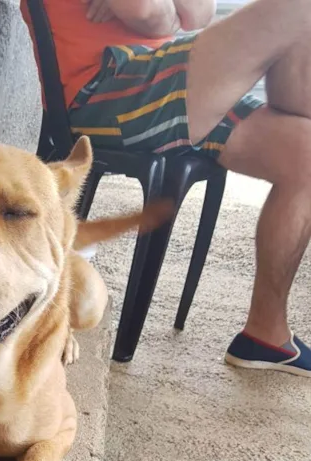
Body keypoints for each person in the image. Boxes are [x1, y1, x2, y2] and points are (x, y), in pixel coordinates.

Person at [21, 0, 311, 376]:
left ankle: (265, 334)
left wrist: (165, 11)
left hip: (165, 82)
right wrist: (164, 12)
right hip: (110, 86)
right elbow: (147, 12)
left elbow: (198, 14)